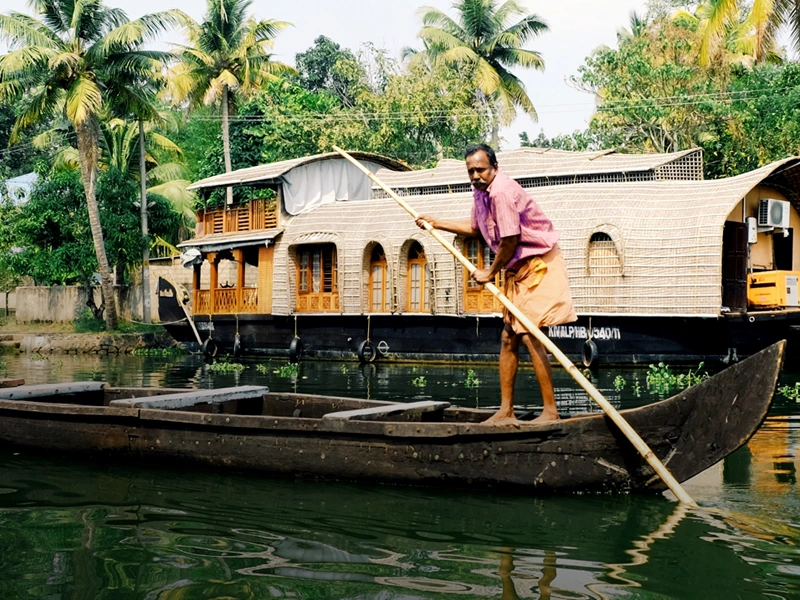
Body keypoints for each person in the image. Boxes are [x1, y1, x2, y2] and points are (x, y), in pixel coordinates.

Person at [416, 143, 576, 426]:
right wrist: (436, 223)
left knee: (529, 334)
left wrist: (490, 272)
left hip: (539, 265)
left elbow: (510, 239)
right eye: (471, 171)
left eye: (480, 169)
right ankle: (506, 411)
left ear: (494, 168)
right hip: (518, 269)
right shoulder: (480, 193)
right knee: (508, 337)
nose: (475, 175)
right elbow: (477, 229)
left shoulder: (501, 191)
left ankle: (551, 412)